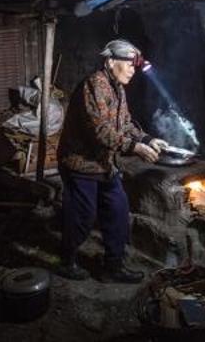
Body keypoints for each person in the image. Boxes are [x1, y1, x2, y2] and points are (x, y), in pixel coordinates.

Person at [56, 39, 167, 283]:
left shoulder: (117, 88)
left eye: (134, 66)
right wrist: (133, 147)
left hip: (106, 164)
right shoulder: (94, 85)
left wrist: (147, 138)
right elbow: (101, 131)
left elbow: (125, 123)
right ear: (110, 62)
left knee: (117, 211)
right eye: (128, 64)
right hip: (80, 164)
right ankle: (67, 260)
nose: (132, 70)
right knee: (83, 215)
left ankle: (113, 266)